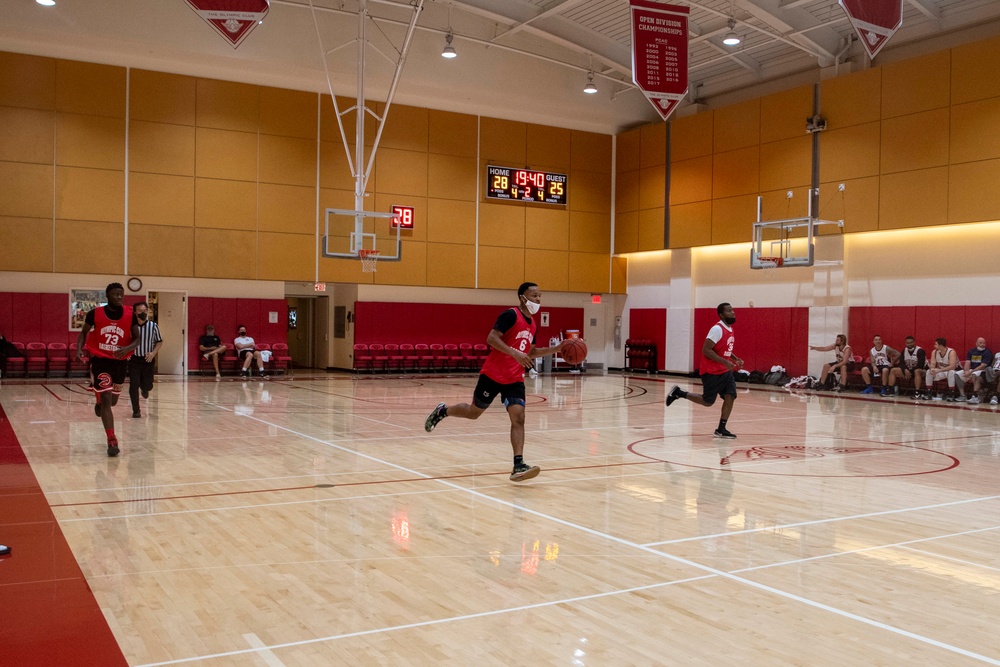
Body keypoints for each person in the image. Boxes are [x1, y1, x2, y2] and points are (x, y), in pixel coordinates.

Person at [423, 282, 566, 482]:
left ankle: (518, 465)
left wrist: (557, 348)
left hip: (514, 378)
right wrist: (515, 353)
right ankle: (443, 411)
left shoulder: (533, 325)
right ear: (523, 297)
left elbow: (531, 351)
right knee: (474, 413)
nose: (538, 300)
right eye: (534, 296)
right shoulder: (510, 315)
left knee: (519, 417)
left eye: (540, 296)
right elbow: (491, 338)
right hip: (493, 374)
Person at [76, 282, 140, 457]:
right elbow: (83, 333)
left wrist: (127, 349)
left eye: (121, 294)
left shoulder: (130, 315)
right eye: (116, 294)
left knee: (112, 402)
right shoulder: (94, 314)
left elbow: (137, 339)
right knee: (106, 398)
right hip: (101, 360)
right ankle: (112, 439)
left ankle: (99, 401)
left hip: (120, 362)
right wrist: (79, 348)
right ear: (108, 296)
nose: (119, 297)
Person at [665, 302, 744, 439]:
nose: (733, 313)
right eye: (729, 311)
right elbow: (706, 350)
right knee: (708, 402)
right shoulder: (717, 329)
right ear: (721, 314)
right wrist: (725, 361)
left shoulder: (729, 329)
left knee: (730, 396)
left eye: (733, 310)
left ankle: (721, 429)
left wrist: (735, 359)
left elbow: (724, 349)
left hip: (724, 371)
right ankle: (679, 393)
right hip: (711, 371)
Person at [127, 301, 163, 418]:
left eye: (145, 310)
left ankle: (145, 388)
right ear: (135, 312)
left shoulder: (153, 326)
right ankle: (136, 410)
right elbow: (125, 341)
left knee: (148, 385)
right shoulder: (130, 326)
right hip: (134, 359)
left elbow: (159, 341)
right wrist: (126, 353)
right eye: (140, 311)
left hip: (147, 359)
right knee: (133, 385)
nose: (143, 313)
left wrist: (153, 353)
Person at [953, 337, 992, 403]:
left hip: (982, 371)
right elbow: (967, 362)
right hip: (972, 369)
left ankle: (976, 396)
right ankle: (962, 395)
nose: (982, 344)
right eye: (980, 343)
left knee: (974, 375)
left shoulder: (987, 352)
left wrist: (971, 372)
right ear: (976, 343)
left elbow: (983, 366)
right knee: (957, 374)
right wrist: (966, 371)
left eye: (984, 343)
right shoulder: (971, 351)